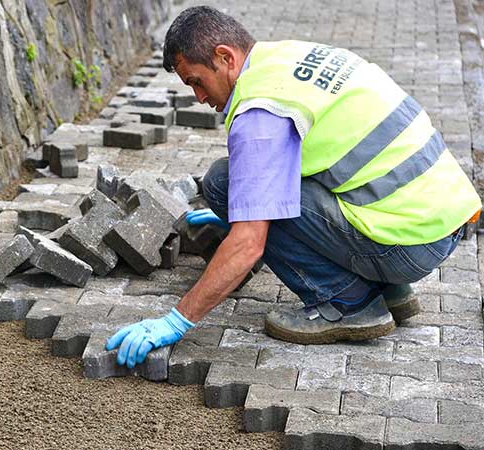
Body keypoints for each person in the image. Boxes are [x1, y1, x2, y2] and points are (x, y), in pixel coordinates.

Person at [106, 5, 482, 369]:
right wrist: (239, 213)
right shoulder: (288, 56)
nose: (199, 98)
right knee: (246, 191)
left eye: (196, 82)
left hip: (407, 244)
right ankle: (389, 290)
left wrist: (175, 320)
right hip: (442, 218)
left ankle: (348, 304)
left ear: (225, 57)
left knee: (224, 183)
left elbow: (248, 244)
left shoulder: (259, 113)